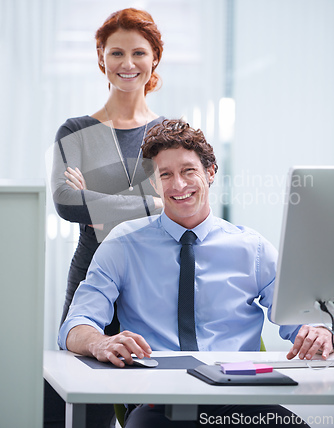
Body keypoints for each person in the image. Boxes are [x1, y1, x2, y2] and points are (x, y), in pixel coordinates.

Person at [58, 119, 333, 427]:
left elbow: (301, 319)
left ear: (210, 172)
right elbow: (75, 325)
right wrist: (100, 342)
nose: (178, 185)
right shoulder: (122, 245)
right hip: (159, 403)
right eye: (165, 175)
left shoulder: (252, 249)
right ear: (153, 183)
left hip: (242, 401)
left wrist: (318, 332)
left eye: (188, 171)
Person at [47, 8, 165, 427]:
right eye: (116, 53)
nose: (127, 64)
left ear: (154, 59)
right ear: (102, 58)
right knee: (75, 402)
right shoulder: (76, 130)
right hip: (90, 271)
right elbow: (64, 201)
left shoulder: (169, 133)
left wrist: (94, 201)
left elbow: (172, 204)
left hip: (153, 277)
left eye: (138, 53)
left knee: (153, 403)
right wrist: (142, 200)